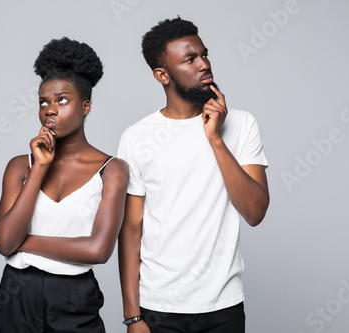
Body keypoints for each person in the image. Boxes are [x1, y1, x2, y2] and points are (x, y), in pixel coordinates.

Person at [117, 17, 269, 332]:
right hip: (158, 308)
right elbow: (131, 231)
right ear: (162, 75)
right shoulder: (136, 137)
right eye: (190, 59)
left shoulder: (241, 125)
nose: (204, 65)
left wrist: (215, 139)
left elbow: (255, 212)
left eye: (204, 54)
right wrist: (133, 316)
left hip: (223, 307)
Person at [0, 36, 129, 333]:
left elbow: (98, 250)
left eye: (62, 100)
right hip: (17, 292)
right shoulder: (20, 166)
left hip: (73, 295)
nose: (50, 109)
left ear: (86, 105)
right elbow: (4, 243)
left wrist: (24, 243)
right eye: (44, 102)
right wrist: (40, 167)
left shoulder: (112, 170)